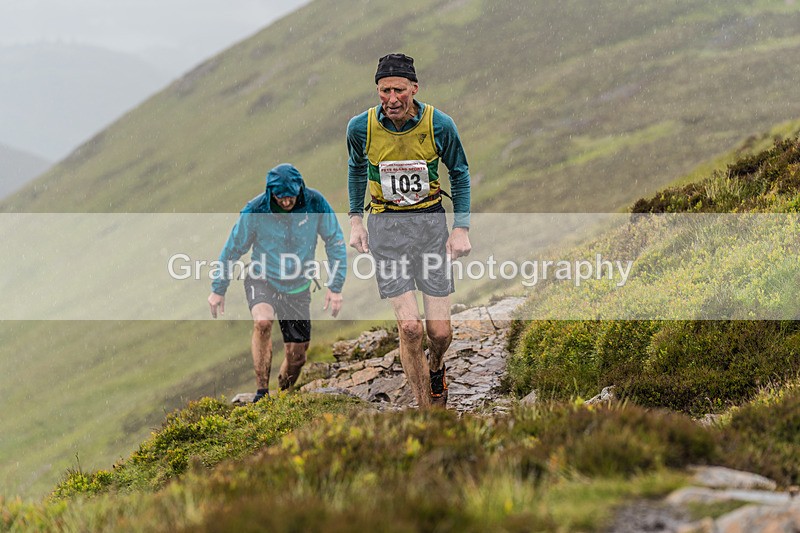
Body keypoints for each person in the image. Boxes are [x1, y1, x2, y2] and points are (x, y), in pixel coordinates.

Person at [346, 53, 471, 408]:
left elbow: (459, 173)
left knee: (439, 332)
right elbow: (356, 169)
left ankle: (437, 366)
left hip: (430, 226)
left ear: (414, 88)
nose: (392, 99)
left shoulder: (439, 125)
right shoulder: (360, 127)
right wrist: (355, 220)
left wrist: (461, 228)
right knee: (411, 328)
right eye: (384, 90)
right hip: (386, 229)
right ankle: (424, 410)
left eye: (399, 90)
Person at [208, 163, 346, 402]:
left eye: (291, 196)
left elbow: (335, 240)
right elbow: (233, 248)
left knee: (297, 357)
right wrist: (218, 288)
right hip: (263, 278)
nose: (286, 202)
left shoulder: (315, 203)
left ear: (300, 188)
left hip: (298, 286)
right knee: (263, 322)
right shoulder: (255, 210)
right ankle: (261, 393)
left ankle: (282, 396)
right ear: (270, 192)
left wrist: (335, 286)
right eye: (280, 197)